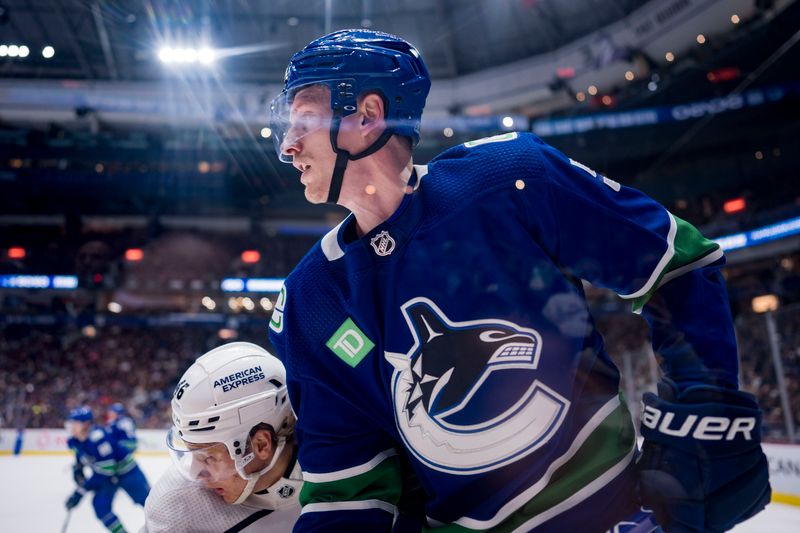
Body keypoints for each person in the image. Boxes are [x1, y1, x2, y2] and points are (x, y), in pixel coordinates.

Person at [266, 29, 771, 532]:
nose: (288, 146)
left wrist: (704, 399)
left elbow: (676, 261)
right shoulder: (312, 303)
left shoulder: (508, 181)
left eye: (305, 119)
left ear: (369, 115)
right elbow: (348, 495)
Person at [143, 342, 302, 532]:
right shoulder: (177, 507)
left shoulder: (336, 467)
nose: (195, 473)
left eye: (207, 457)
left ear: (261, 445)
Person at [65, 405, 150, 533]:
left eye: (75, 423)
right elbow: (81, 454)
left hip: (127, 472)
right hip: (109, 477)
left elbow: (106, 470)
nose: (71, 426)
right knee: (100, 506)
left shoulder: (99, 438)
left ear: (86, 424)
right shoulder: (75, 440)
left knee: (149, 504)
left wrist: (81, 491)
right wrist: (78, 467)